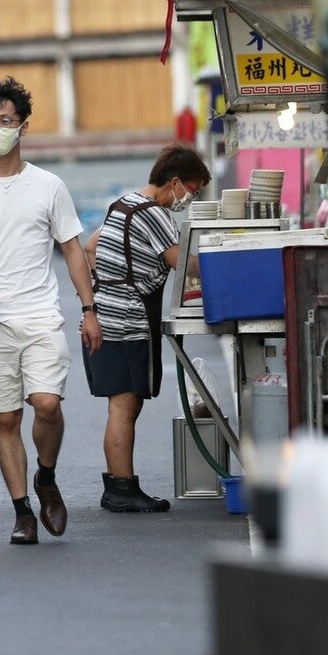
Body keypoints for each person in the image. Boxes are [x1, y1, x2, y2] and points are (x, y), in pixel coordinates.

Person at [0, 77, 103, 546]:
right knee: (6, 418)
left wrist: (89, 310)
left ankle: (46, 476)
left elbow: (72, 250)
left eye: (4, 121)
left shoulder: (49, 186)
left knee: (47, 404)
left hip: (39, 314)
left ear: (22, 126)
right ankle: (21, 510)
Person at [84, 144, 211, 512]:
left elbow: (92, 248)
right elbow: (184, 264)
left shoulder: (121, 204)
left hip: (106, 314)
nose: (189, 198)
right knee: (124, 405)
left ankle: (119, 487)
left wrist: (109, 283)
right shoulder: (155, 214)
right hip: (125, 321)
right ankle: (122, 490)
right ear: (174, 182)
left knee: (124, 404)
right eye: (192, 189)